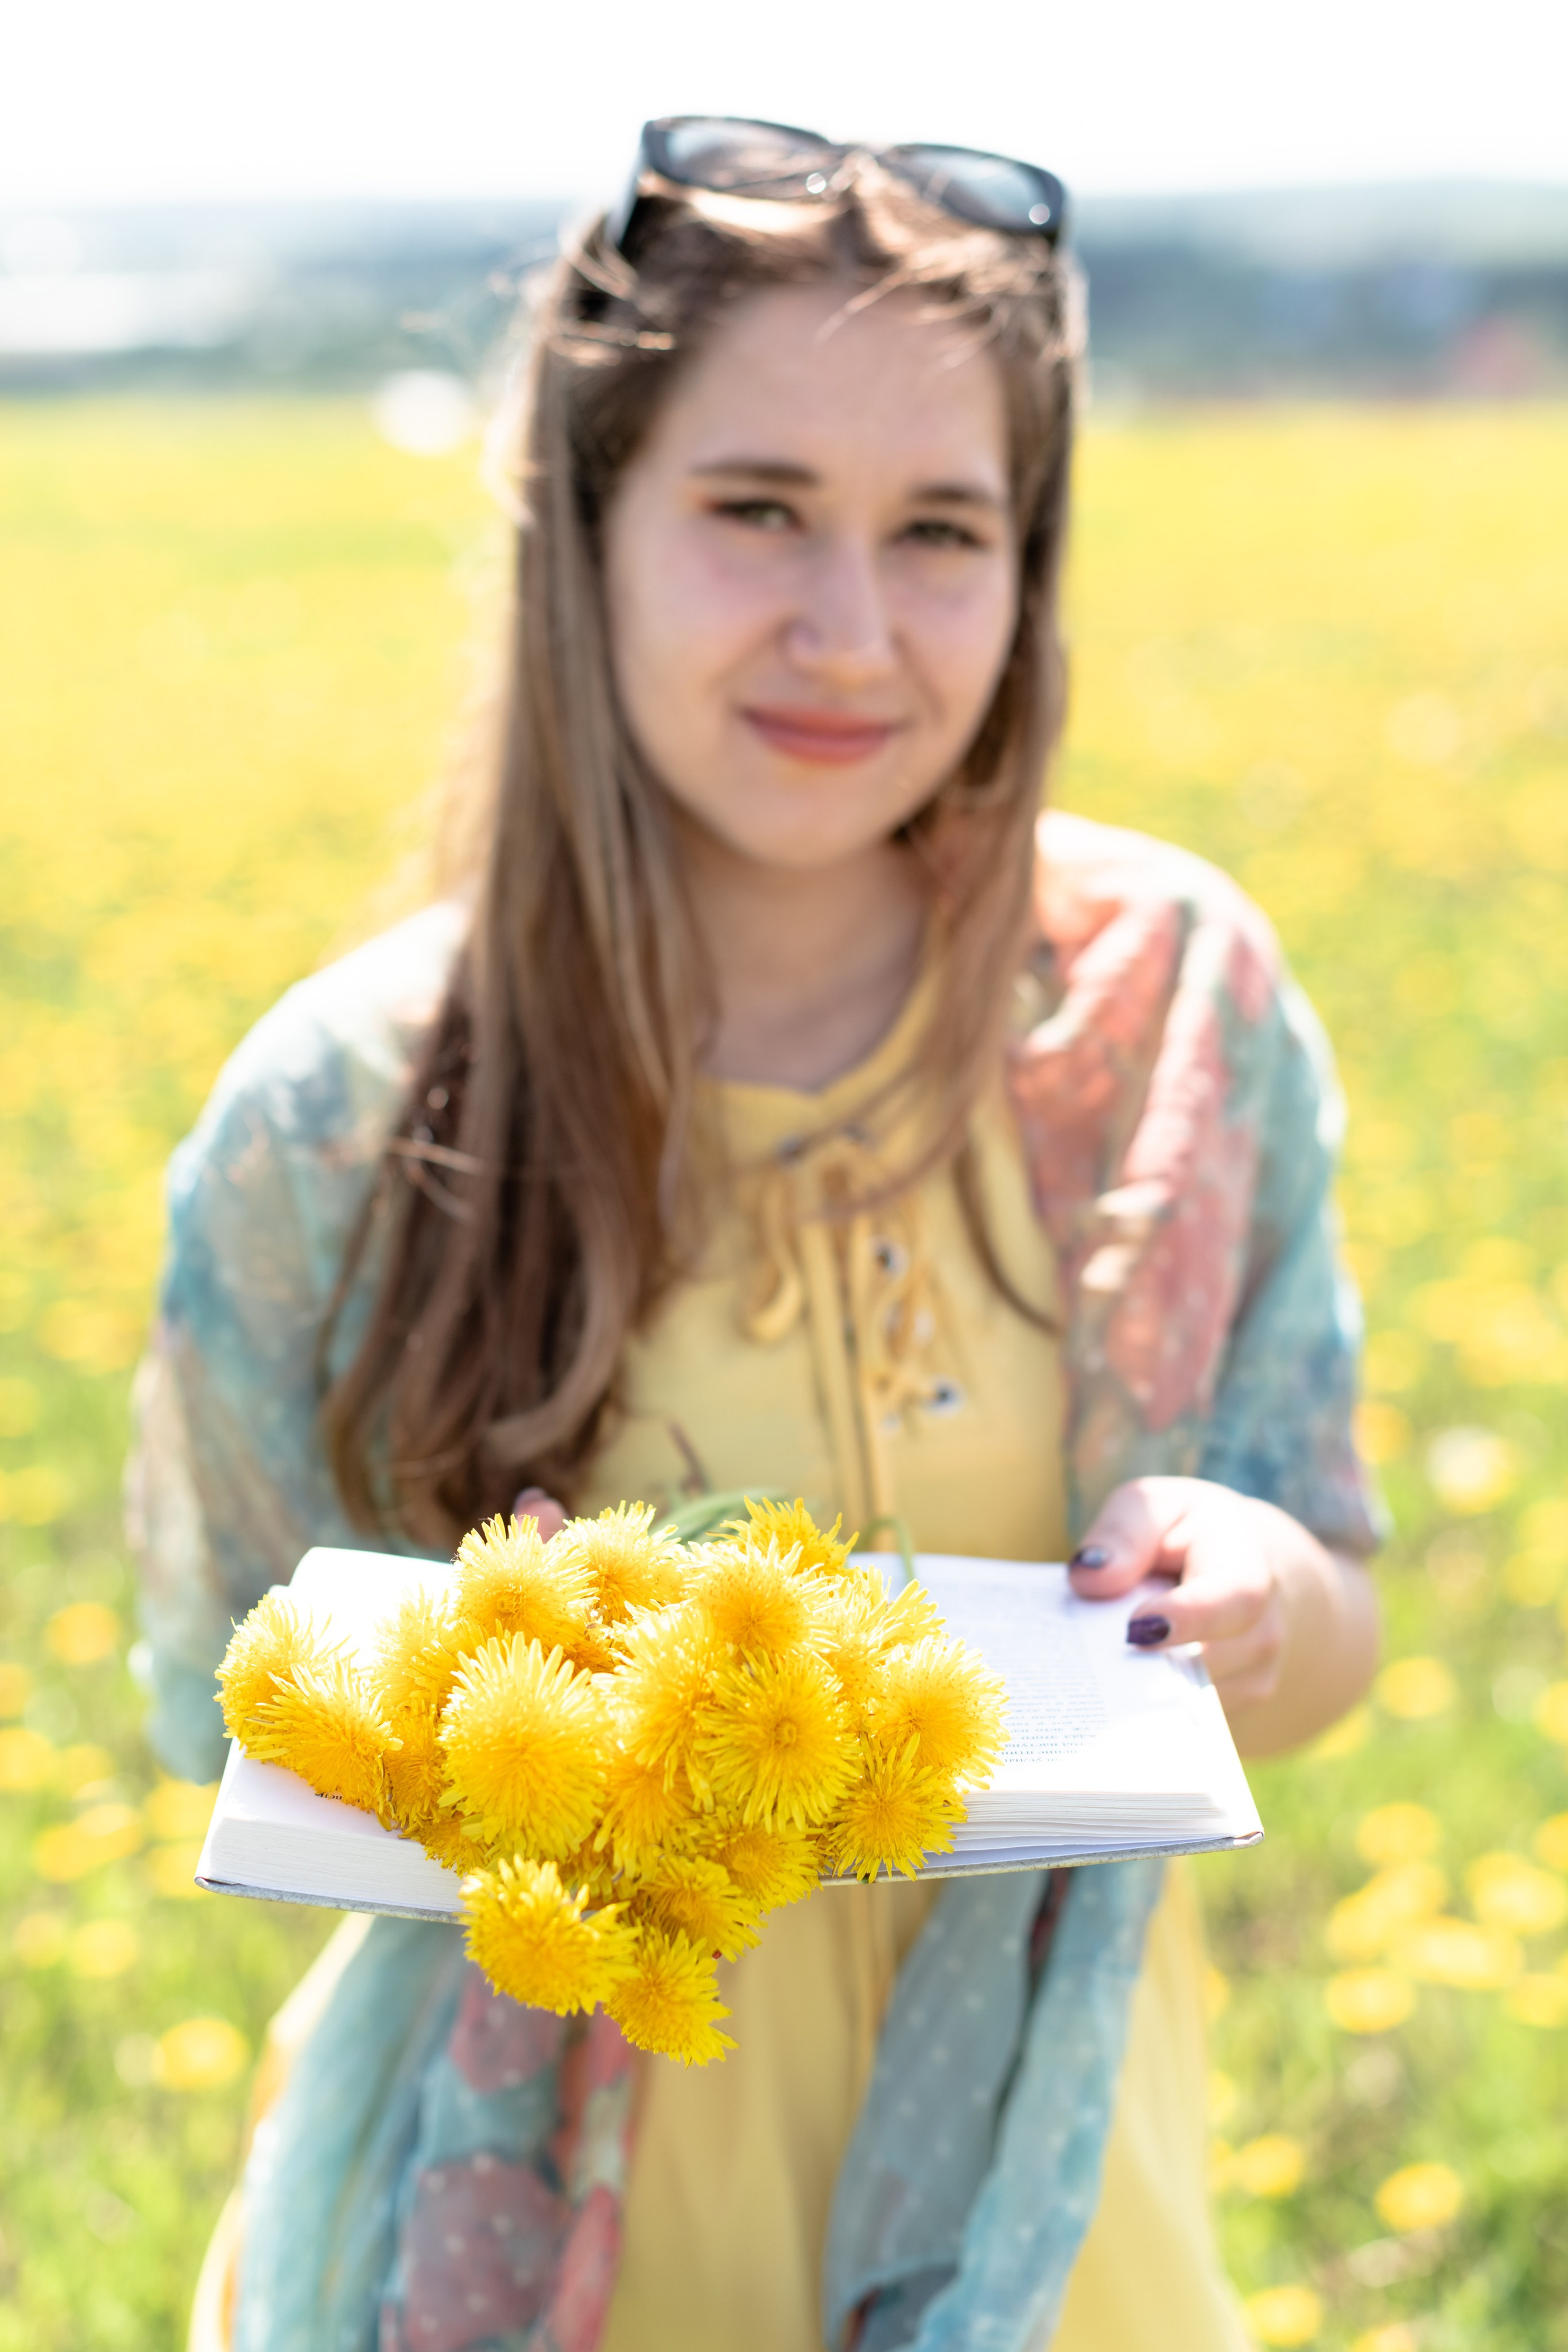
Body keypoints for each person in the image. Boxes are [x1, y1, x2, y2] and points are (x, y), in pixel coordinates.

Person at [130, 118, 1382, 2352]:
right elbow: (220, 1681)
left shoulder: (1177, 1013)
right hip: (510, 2268)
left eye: (941, 533)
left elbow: (1339, 1608)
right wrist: (543, 1734)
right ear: (586, 528)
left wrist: (1269, 1601)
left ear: (1030, 571)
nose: (851, 629)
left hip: (1055, 2251)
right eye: (756, 512)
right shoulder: (342, 1115)